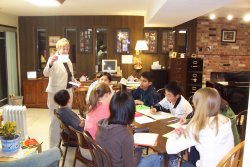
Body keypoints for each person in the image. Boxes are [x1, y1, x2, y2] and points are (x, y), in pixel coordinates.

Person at [166, 87, 234, 167]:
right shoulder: (225, 120)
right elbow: (207, 137)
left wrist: (175, 134)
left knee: (171, 158)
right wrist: (188, 133)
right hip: (227, 164)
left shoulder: (197, 127)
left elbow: (170, 149)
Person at [96, 91, 163, 167]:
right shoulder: (125, 136)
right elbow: (131, 165)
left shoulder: (102, 124)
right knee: (156, 158)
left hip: (104, 163)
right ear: (131, 111)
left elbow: (115, 144)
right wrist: (138, 149)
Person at [43, 38, 78, 148]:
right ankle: (53, 147)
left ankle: (66, 140)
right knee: (55, 120)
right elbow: (46, 73)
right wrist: (50, 63)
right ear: (58, 48)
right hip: (56, 94)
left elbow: (70, 76)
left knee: (66, 118)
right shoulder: (52, 59)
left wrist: (75, 82)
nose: (66, 51)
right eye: (64, 49)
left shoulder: (68, 60)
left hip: (68, 93)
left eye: (67, 49)